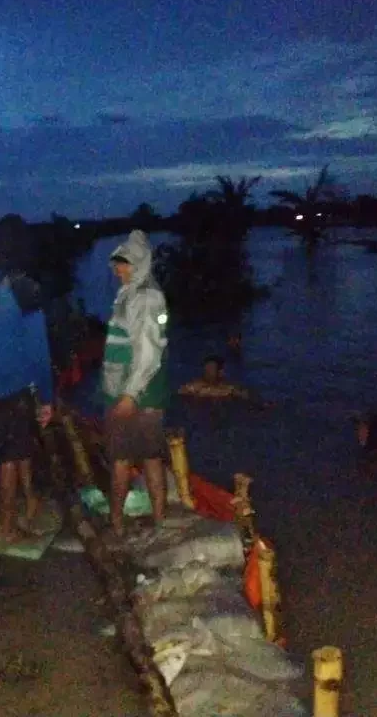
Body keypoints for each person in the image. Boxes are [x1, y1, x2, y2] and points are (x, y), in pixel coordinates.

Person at [0, 214, 54, 542]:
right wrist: (47, 397)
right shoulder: (24, 287)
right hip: (15, 387)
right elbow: (39, 348)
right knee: (10, 456)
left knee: (15, 446)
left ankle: (31, 500)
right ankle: (7, 527)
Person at [101, 230, 170, 538]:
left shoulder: (146, 296)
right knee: (149, 458)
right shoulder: (131, 292)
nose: (118, 269)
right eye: (117, 263)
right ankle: (156, 520)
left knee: (122, 459)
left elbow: (149, 351)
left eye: (125, 263)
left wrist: (129, 395)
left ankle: (118, 522)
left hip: (137, 395)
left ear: (140, 263)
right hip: (137, 393)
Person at [178, 354, 270, 406]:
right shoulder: (195, 386)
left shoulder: (228, 388)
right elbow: (181, 393)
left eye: (211, 369)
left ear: (220, 372)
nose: (207, 372)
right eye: (206, 369)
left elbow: (248, 396)